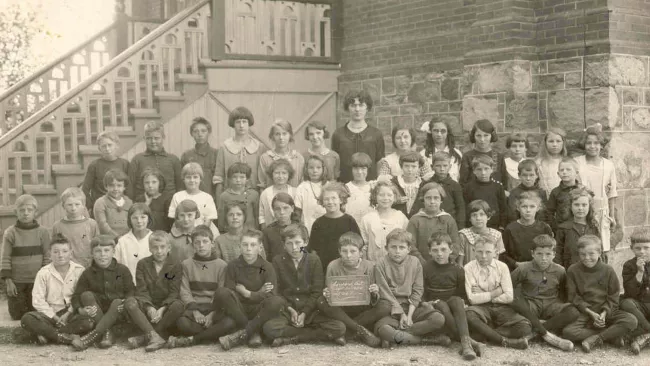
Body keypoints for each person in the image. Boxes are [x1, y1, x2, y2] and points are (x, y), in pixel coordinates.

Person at [263, 224, 346, 347]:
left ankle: (288, 339)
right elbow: (277, 291)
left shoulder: (314, 260)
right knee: (269, 328)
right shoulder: (277, 261)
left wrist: (304, 313)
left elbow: (317, 291)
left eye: (298, 242)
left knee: (339, 327)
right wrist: (290, 310)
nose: (294, 247)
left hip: (311, 311)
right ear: (284, 244)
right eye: (289, 243)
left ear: (306, 242)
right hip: (288, 311)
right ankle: (316, 335)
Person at [374, 229, 450, 348]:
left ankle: (398, 336)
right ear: (386, 248)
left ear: (409, 249)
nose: (397, 251)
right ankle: (427, 341)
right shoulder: (381, 264)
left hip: (412, 308)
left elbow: (418, 290)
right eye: (393, 247)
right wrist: (401, 315)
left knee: (438, 319)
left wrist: (409, 316)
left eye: (402, 247)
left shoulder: (415, 262)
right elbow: (385, 292)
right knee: (384, 330)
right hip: (391, 310)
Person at [563, 235, 637, 353]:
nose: (587, 258)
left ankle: (598, 338)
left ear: (599, 252)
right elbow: (573, 296)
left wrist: (604, 313)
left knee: (631, 320)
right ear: (579, 253)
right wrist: (591, 313)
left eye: (591, 254)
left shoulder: (608, 270)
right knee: (568, 332)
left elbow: (614, 295)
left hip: (606, 311)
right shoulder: (573, 270)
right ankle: (610, 335)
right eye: (583, 254)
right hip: (585, 311)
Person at [316, 232, 390, 347]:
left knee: (386, 306)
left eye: (353, 251)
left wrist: (375, 292)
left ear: (361, 252)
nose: (348, 255)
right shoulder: (333, 266)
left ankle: (348, 331)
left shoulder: (370, 266)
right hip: (342, 309)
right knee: (321, 301)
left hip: (363, 308)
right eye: (344, 251)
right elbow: (330, 292)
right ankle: (360, 330)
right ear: (339, 251)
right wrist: (327, 294)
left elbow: (374, 298)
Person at [18, 234, 92, 345]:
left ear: (71, 254)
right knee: (27, 319)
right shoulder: (43, 273)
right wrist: (55, 318)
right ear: (50, 254)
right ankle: (64, 337)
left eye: (64, 251)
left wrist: (68, 313)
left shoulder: (79, 270)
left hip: (71, 313)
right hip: (50, 315)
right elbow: (38, 301)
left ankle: (48, 335)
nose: (60, 255)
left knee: (89, 322)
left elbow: (81, 295)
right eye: (56, 252)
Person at [217, 229, 285, 350]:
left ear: (260, 247)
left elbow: (271, 294)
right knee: (222, 293)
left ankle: (241, 334)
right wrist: (260, 292)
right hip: (239, 309)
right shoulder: (233, 265)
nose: (249, 249)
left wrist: (248, 294)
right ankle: (252, 331)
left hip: (259, 309)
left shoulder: (267, 266)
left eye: (253, 245)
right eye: (245, 245)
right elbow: (230, 289)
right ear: (240, 246)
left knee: (277, 301)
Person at [508, 234, 578, 351]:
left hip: (551, 304)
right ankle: (549, 330)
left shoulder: (560, 270)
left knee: (573, 312)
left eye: (548, 254)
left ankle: (535, 332)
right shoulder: (523, 268)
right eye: (539, 254)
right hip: (531, 305)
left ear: (554, 254)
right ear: (532, 253)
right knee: (514, 302)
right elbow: (509, 287)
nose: (544, 258)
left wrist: (559, 307)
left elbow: (562, 292)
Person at [167, 225, 232, 348]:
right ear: (193, 245)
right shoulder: (186, 264)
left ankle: (195, 339)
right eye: (197, 242)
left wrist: (212, 314)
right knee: (182, 323)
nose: (201, 245)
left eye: (205, 241)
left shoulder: (222, 265)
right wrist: (195, 311)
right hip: (194, 309)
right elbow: (184, 291)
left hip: (214, 309)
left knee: (229, 322)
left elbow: (222, 291)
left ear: (212, 243)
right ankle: (212, 335)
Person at [422, 233, 484, 360]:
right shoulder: (425, 267)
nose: (439, 254)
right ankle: (467, 342)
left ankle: (466, 344)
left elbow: (462, 293)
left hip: (452, 302)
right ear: (429, 252)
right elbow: (421, 290)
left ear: (450, 250)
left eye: (443, 250)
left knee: (456, 300)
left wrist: (463, 302)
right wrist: (426, 302)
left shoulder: (457, 269)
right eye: (435, 250)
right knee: (442, 304)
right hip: (434, 302)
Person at [464, 237, 531, 349]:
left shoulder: (502, 267)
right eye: (480, 251)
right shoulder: (468, 268)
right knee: (469, 315)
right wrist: (496, 292)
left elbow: (509, 297)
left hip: (501, 307)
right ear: (474, 251)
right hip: (481, 308)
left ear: (495, 252)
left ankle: (487, 333)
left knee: (525, 327)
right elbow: (472, 299)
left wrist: (486, 294)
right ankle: (505, 341)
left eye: (488, 252)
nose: (484, 256)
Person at [70, 235, 135, 350]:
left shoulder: (122, 270)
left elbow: (131, 290)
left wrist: (125, 302)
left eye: (106, 250)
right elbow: (76, 296)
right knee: (86, 295)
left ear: (113, 252)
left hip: (118, 313)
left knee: (117, 301)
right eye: (98, 251)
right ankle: (107, 333)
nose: (102, 254)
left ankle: (91, 337)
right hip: (97, 315)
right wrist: (80, 309)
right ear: (92, 253)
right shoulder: (87, 273)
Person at [125, 231, 185, 351]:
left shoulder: (176, 265)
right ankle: (155, 336)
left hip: (166, 307)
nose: (159, 251)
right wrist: (149, 307)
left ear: (169, 248)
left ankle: (145, 337)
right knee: (130, 302)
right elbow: (141, 290)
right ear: (150, 249)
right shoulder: (142, 264)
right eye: (155, 247)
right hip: (148, 304)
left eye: (162, 247)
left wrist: (162, 309)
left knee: (178, 305)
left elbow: (174, 291)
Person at [1, 194, 50, 320]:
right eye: (22, 210)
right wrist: (8, 281)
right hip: (17, 282)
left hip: (37, 282)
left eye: (29, 210)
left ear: (35, 212)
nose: (26, 213)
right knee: (17, 315)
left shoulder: (43, 232)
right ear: (15, 212)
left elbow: (47, 257)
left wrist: (44, 281)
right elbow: (5, 258)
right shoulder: (10, 232)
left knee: (37, 313)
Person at [575, 124, 620, 255]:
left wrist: (612, 216)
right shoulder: (577, 162)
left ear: (601, 145)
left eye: (596, 143)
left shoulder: (608, 165)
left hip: (602, 211)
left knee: (602, 247)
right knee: (584, 246)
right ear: (584, 144)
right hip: (582, 209)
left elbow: (612, 193)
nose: (592, 146)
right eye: (589, 143)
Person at [213, 106, 266, 200]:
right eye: (238, 122)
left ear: (249, 123)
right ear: (233, 124)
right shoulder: (225, 147)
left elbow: (262, 180)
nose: (241, 125)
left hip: (253, 197)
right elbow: (219, 178)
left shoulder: (259, 147)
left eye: (244, 121)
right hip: (230, 196)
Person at [332, 90, 384, 182]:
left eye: (361, 105)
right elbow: (335, 164)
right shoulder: (338, 134)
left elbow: (380, 162)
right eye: (353, 105)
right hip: (344, 186)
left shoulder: (376, 134)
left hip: (369, 186)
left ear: (367, 107)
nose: (357, 109)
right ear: (347, 108)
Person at [309, 182, 361, 271]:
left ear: (341, 200)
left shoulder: (349, 221)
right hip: (324, 267)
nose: (330, 202)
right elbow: (313, 249)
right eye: (326, 199)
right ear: (322, 202)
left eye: (333, 198)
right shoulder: (318, 223)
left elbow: (359, 245)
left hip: (347, 267)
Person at [407, 182, 459, 265]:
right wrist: (423, 263)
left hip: (444, 265)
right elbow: (411, 245)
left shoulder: (448, 219)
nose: (432, 201)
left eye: (436, 198)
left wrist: (447, 260)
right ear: (422, 199)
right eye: (428, 198)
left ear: (441, 200)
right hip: (421, 266)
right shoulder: (415, 220)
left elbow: (455, 244)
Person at [128, 120, 183, 199]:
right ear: (144, 138)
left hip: (169, 205)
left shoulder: (173, 160)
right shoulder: (137, 160)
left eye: (156, 138)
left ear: (163, 137)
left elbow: (180, 186)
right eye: (149, 138)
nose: (153, 141)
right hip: (144, 206)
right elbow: (130, 187)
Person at [500, 192, 553, 271]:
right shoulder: (510, 229)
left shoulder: (544, 228)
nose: (528, 210)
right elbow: (503, 254)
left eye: (532, 206)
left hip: (540, 269)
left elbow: (551, 250)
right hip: (518, 270)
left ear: (538, 208)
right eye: (524, 206)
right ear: (518, 208)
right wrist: (515, 263)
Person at [411, 151, 465, 228]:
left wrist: (460, 227)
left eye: (445, 166)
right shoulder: (425, 184)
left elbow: (460, 208)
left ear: (450, 166)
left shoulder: (455, 186)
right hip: (427, 222)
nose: (442, 169)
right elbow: (418, 204)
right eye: (438, 166)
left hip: (448, 223)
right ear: (432, 166)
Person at [81, 131, 130, 214]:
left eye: (110, 145)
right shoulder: (94, 165)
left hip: (120, 208)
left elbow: (129, 188)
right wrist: (92, 205)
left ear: (116, 146)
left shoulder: (125, 164)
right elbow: (85, 189)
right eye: (104, 146)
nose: (107, 148)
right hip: (101, 208)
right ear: (99, 148)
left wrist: (126, 206)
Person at [360, 181, 408, 263]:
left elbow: (406, 243)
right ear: (375, 196)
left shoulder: (401, 217)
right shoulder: (367, 218)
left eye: (389, 195)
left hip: (396, 265)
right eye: (381, 195)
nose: (385, 198)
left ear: (395, 197)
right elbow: (364, 245)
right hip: (373, 264)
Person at [620, 227, 650, 354]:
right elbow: (631, 293)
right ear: (632, 248)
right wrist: (640, 272)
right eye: (638, 248)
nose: (642, 252)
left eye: (646, 248)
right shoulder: (629, 265)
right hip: (638, 307)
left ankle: (642, 337)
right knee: (626, 302)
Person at [52, 187, 98, 268]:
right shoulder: (58, 226)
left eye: (77, 204)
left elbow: (96, 247)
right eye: (69, 205)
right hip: (66, 268)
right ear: (63, 206)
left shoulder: (92, 224)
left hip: (87, 267)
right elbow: (54, 249)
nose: (73, 208)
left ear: (83, 205)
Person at [168, 163, 219, 236]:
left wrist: (198, 234)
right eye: (188, 177)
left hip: (203, 232)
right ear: (183, 179)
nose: (192, 180)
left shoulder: (207, 197)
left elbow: (209, 219)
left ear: (200, 179)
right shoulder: (177, 196)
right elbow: (175, 218)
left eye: (195, 177)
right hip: (183, 231)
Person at [555, 187, 600, 269]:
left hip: (591, 271)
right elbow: (557, 253)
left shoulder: (593, 227)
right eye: (576, 205)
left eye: (584, 205)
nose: (580, 208)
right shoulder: (563, 228)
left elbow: (600, 250)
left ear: (589, 207)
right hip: (570, 271)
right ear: (570, 206)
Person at [463, 154, 507, 230]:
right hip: (475, 226)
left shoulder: (498, 187)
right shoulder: (468, 187)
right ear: (474, 171)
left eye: (486, 169)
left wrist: (502, 225)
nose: (483, 173)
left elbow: (503, 208)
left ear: (492, 169)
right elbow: (466, 208)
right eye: (479, 169)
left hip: (494, 226)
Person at [456, 200, 506, 266]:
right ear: (470, 218)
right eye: (474, 215)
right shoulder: (463, 235)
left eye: (482, 214)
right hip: (468, 273)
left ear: (488, 216)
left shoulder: (496, 235)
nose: (478, 218)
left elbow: (497, 261)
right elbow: (460, 263)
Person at [258, 119, 305, 188]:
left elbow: (302, 183)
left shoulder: (298, 158)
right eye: (277, 134)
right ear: (272, 136)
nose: (281, 137)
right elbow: (262, 184)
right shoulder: (265, 158)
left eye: (284, 134)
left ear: (290, 135)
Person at [459, 119, 506, 187]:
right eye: (478, 135)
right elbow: (463, 183)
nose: (482, 139)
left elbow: (504, 182)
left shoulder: (499, 157)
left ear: (491, 136)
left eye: (486, 135)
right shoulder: (467, 156)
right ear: (473, 136)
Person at [114, 203, 154, 283]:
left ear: (148, 219)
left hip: (150, 287)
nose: (139, 221)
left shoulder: (154, 239)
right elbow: (115, 266)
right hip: (128, 286)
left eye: (143, 217)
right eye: (135, 218)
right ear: (130, 220)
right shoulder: (122, 241)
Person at [180, 117, 218, 198]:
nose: (200, 134)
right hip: (191, 197)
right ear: (191, 134)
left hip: (212, 198)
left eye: (203, 131)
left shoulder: (216, 154)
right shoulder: (186, 155)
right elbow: (182, 181)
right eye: (196, 131)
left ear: (209, 132)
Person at [217, 162, 259, 232]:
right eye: (235, 177)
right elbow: (221, 218)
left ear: (247, 179)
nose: (238, 180)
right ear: (229, 178)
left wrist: (256, 230)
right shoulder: (224, 196)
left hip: (250, 233)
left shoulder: (254, 194)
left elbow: (257, 215)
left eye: (242, 177)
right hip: (232, 232)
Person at [420, 116, 463, 182]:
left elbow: (460, 178)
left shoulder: (456, 154)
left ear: (447, 132)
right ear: (431, 132)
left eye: (443, 131)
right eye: (436, 131)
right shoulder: (423, 154)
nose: (439, 134)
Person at [544, 157, 582, 232]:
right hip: (561, 229)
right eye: (562, 170)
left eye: (568, 169)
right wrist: (554, 228)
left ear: (576, 173)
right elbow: (549, 213)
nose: (564, 172)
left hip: (579, 227)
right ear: (558, 173)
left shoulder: (582, 190)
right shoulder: (555, 192)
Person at [93, 169, 134, 237]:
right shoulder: (101, 203)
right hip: (108, 240)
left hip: (127, 238)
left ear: (124, 187)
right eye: (112, 185)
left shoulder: (129, 202)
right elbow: (102, 224)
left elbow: (133, 223)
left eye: (119, 185)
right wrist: (117, 237)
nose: (115, 188)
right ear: (106, 186)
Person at [259, 159, 297, 229]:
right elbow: (262, 216)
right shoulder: (265, 193)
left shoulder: (295, 192)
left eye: (284, 173)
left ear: (289, 174)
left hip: (291, 230)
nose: (280, 176)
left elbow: (297, 215)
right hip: (271, 231)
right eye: (277, 173)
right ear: (271, 174)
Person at [262, 193, 300, 263]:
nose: (282, 212)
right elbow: (266, 258)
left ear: (292, 208)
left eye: (285, 208)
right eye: (277, 209)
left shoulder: (300, 228)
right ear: (273, 210)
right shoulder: (267, 232)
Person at [294, 154, 328, 233]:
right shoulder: (302, 187)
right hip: (308, 228)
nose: (315, 171)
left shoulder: (329, 186)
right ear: (306, 169)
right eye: (311, 168)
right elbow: (297, 213)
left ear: (324, 169)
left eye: (318, 167)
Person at [506, 159, 547, 223]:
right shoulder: (514, 193)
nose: (528, 178)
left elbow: (544, 214)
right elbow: (512, 215)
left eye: (531, 175)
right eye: (524, 175)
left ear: (536, 175)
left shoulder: (541, 193)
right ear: (519, 175)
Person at [136, 167, 173, 232]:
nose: (150, 185)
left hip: (162, 235)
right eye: (147, 182)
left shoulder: (167, 199)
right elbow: (137, 219)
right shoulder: (139, 200)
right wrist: (146, 204)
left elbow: (170, 222)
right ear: (143, 184)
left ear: (160, 183)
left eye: (154, 182)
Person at [344, 152, 376, 225]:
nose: (359, 172)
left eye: (363, 168)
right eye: (356, 168)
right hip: (351, 225)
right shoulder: (346, 187)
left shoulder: (373, 187)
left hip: (369, 225)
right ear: (351, 169)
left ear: (368, 169)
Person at [390, 151, 424, 218]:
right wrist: (395, 201)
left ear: (419, 167)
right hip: (397, 219)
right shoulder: (393, 183)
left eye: (414, 166)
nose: (410, 169)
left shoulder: (423, 184)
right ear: (401, 166)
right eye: (406, 166)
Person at [535, 127, 568, 196]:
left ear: (563, 143)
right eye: (551, 141)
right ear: (545, 143)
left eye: (558, 141)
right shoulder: (539, 163)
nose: (555, 145)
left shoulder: (567, 162)